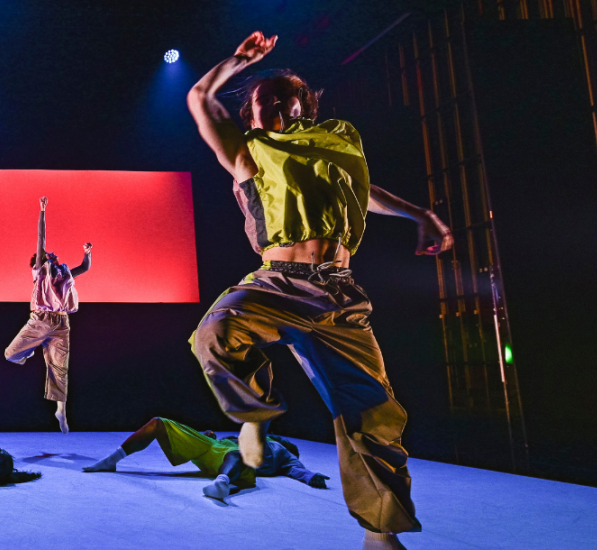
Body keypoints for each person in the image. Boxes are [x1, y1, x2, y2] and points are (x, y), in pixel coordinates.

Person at [185, 31, 453, 550]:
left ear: (305, 105)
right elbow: (200, 97)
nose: (279, 105)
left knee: (373, 415)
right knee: (216, 332)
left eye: (290, 97)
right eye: (266, 101)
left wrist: (420, 213)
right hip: (278, 283)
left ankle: (381, 533)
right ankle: (254, 421)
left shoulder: (335, 148)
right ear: (252, 116)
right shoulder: (247, 153)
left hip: (340, 296)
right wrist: (240, 63)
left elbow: (363, 192)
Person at [3, 196, 92, 433]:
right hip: (40, 321)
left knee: (59, 368)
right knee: (10, 355)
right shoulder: (40, 272)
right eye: (48, 256)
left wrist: (87, 253)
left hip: (62, 323)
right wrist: (42, 211)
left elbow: (84, 268)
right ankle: (26, 355)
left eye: (54, 256)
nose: (53, 257)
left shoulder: (63, 276)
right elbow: (41, 238)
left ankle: (61, 412)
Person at [82, 417, 329, 501]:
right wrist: (204, 436)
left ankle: (221, 485)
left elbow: (297, 470)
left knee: (239, 453)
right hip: (212, 449)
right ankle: (112, 460)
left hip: (237, 464)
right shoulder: (240, 436)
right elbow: (220, 440)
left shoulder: (283, 453)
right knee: (158, 423)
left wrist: (312, 477)